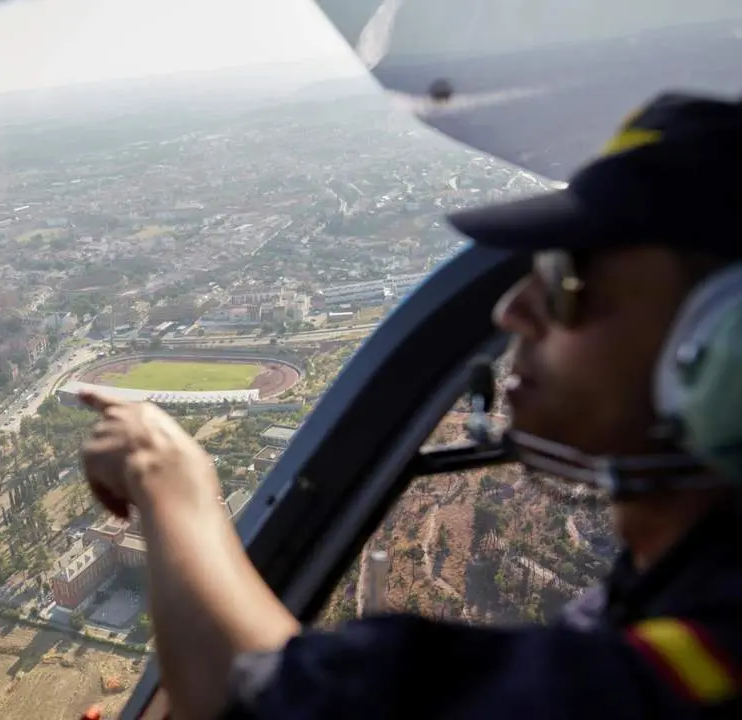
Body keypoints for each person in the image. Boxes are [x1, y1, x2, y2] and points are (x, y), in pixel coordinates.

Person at [78, 92, 742, 720]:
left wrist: (166, 480)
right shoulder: (671, 581)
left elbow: (263, 700)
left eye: (564, 280)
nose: (510, 310)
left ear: (726, 342)